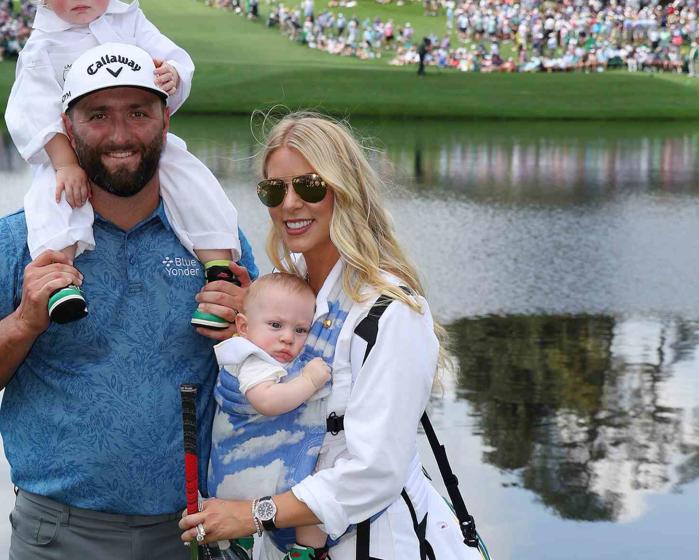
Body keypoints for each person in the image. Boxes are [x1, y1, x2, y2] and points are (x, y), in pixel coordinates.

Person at [0, 42, 257, 560]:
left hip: (196, 529)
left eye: (139, 113)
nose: (122, 135)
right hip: (59, 534)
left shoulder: (213, 237)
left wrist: (248, 331)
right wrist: (23, 322)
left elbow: (278, 363)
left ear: (165, 121)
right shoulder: (22, 241)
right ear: (67, 124)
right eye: (99, 115)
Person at [179, 113, 487, 560]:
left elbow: (374, 472)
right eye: (273, 190)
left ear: (345, 188)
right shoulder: (289, 295)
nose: (289, 204)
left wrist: (252, 513)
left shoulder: (391, 312)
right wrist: (247, 333)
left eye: (308, 185)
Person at [4, 0, 239, 328]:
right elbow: (32, 111)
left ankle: (217, 267)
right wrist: (65, 164)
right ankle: (60, 278)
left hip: (138, 145)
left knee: (192, 177)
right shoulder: (43, 45)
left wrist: (173, 76)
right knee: (52, 197)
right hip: (71, 152)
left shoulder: (128, 22)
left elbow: (174, 59)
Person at [209, 273, 332, 559]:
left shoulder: (273, 353)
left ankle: (306, 551)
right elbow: (266, 401)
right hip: (246, 466)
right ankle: (294, 549)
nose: (287, 337)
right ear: (243, 326)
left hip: (266, 468)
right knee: (309, 501)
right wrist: (310, 382)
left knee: (315, 506)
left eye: (301, 330)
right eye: (275, 325)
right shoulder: (252, 359)